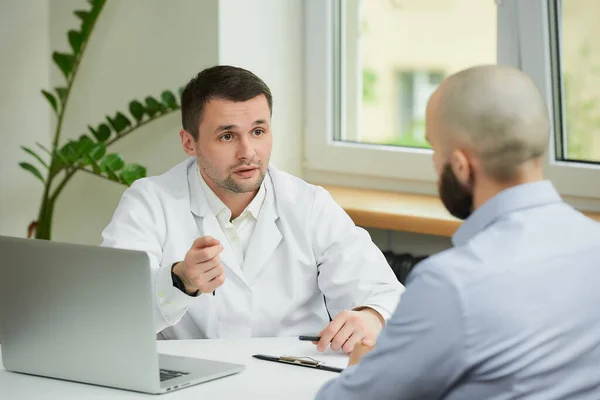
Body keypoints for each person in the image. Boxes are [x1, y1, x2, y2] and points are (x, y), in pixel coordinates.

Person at [315, 65, 600, 399]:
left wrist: (363, 366)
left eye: (435, 150)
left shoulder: (451, 284)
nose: (435, 165)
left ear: (462, 166)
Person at [101, 65, 404, 353]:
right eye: (227, 136)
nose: (248, 152)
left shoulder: (309, 205)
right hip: (192, 385)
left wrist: (371, 316)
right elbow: (112, 312)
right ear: (189, 143)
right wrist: (180, 281)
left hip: (292, 379)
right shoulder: (150, 202)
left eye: (258, 132)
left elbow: (384, 292)